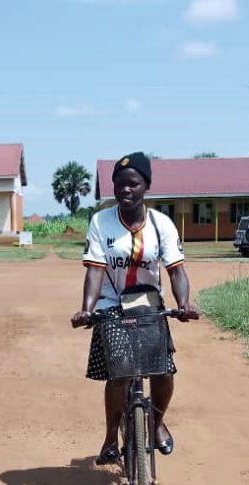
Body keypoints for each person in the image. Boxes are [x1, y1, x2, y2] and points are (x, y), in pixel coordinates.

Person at [70, 152, 199, 464]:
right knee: (119, 376)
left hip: (148, 303)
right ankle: (110, 439)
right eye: (119, 184)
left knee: (164, 371)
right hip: (112, 305)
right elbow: (95, 270)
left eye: (133, 184)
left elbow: (176, 271)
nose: (125, 190)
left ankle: (155, 425)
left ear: (146, 187)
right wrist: (87, 309)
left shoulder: (161, 224)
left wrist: (183, 304)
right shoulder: (101, 221)